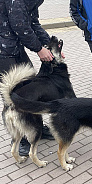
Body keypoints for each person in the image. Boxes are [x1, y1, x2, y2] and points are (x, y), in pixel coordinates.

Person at [0, 0, 55, 156]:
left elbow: (33, 23)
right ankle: (21, 137)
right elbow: (20, 26)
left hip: (16, 49)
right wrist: (39, 49)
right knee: (13, 96)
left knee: (32, 89)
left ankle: (36, 127)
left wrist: (49, 46)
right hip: (3, 52)